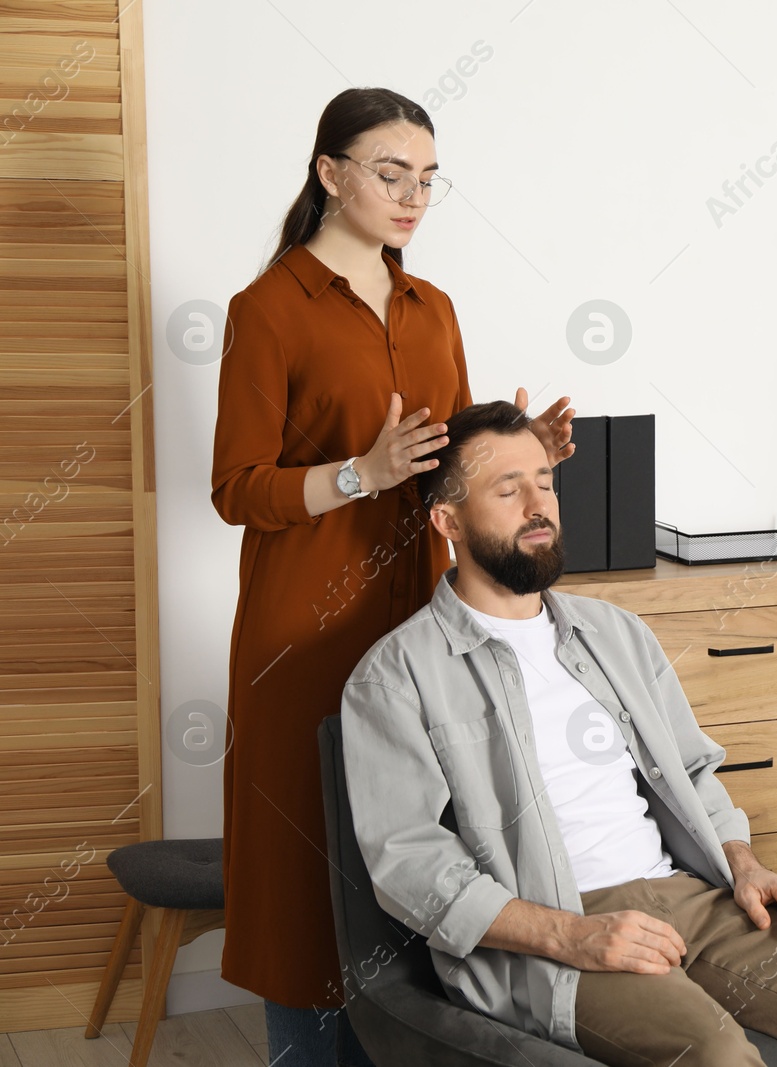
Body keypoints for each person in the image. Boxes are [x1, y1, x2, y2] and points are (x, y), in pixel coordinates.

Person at [340, 401, 777, 1067]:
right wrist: (572, 934)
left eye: (545, 482)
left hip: (691, 894)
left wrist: (745, 866)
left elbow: (691, 771)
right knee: (715, 1054)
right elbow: (411, 863)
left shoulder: (616, 634)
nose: (538, 504)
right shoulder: (396, 676)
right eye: (507, 488)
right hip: (555, 930)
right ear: (447, 519)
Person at [210, 88, 574, 1066]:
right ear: (330, 174)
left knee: (426, 844)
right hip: (304, 631)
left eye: (426, 178)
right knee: (307, 876)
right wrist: (357, 474)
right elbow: (236, 488)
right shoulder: (267, 310)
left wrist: (521, 452)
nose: (412, 195)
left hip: (421, 621)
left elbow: (450, 465)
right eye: (389, 172)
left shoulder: (432, 309)